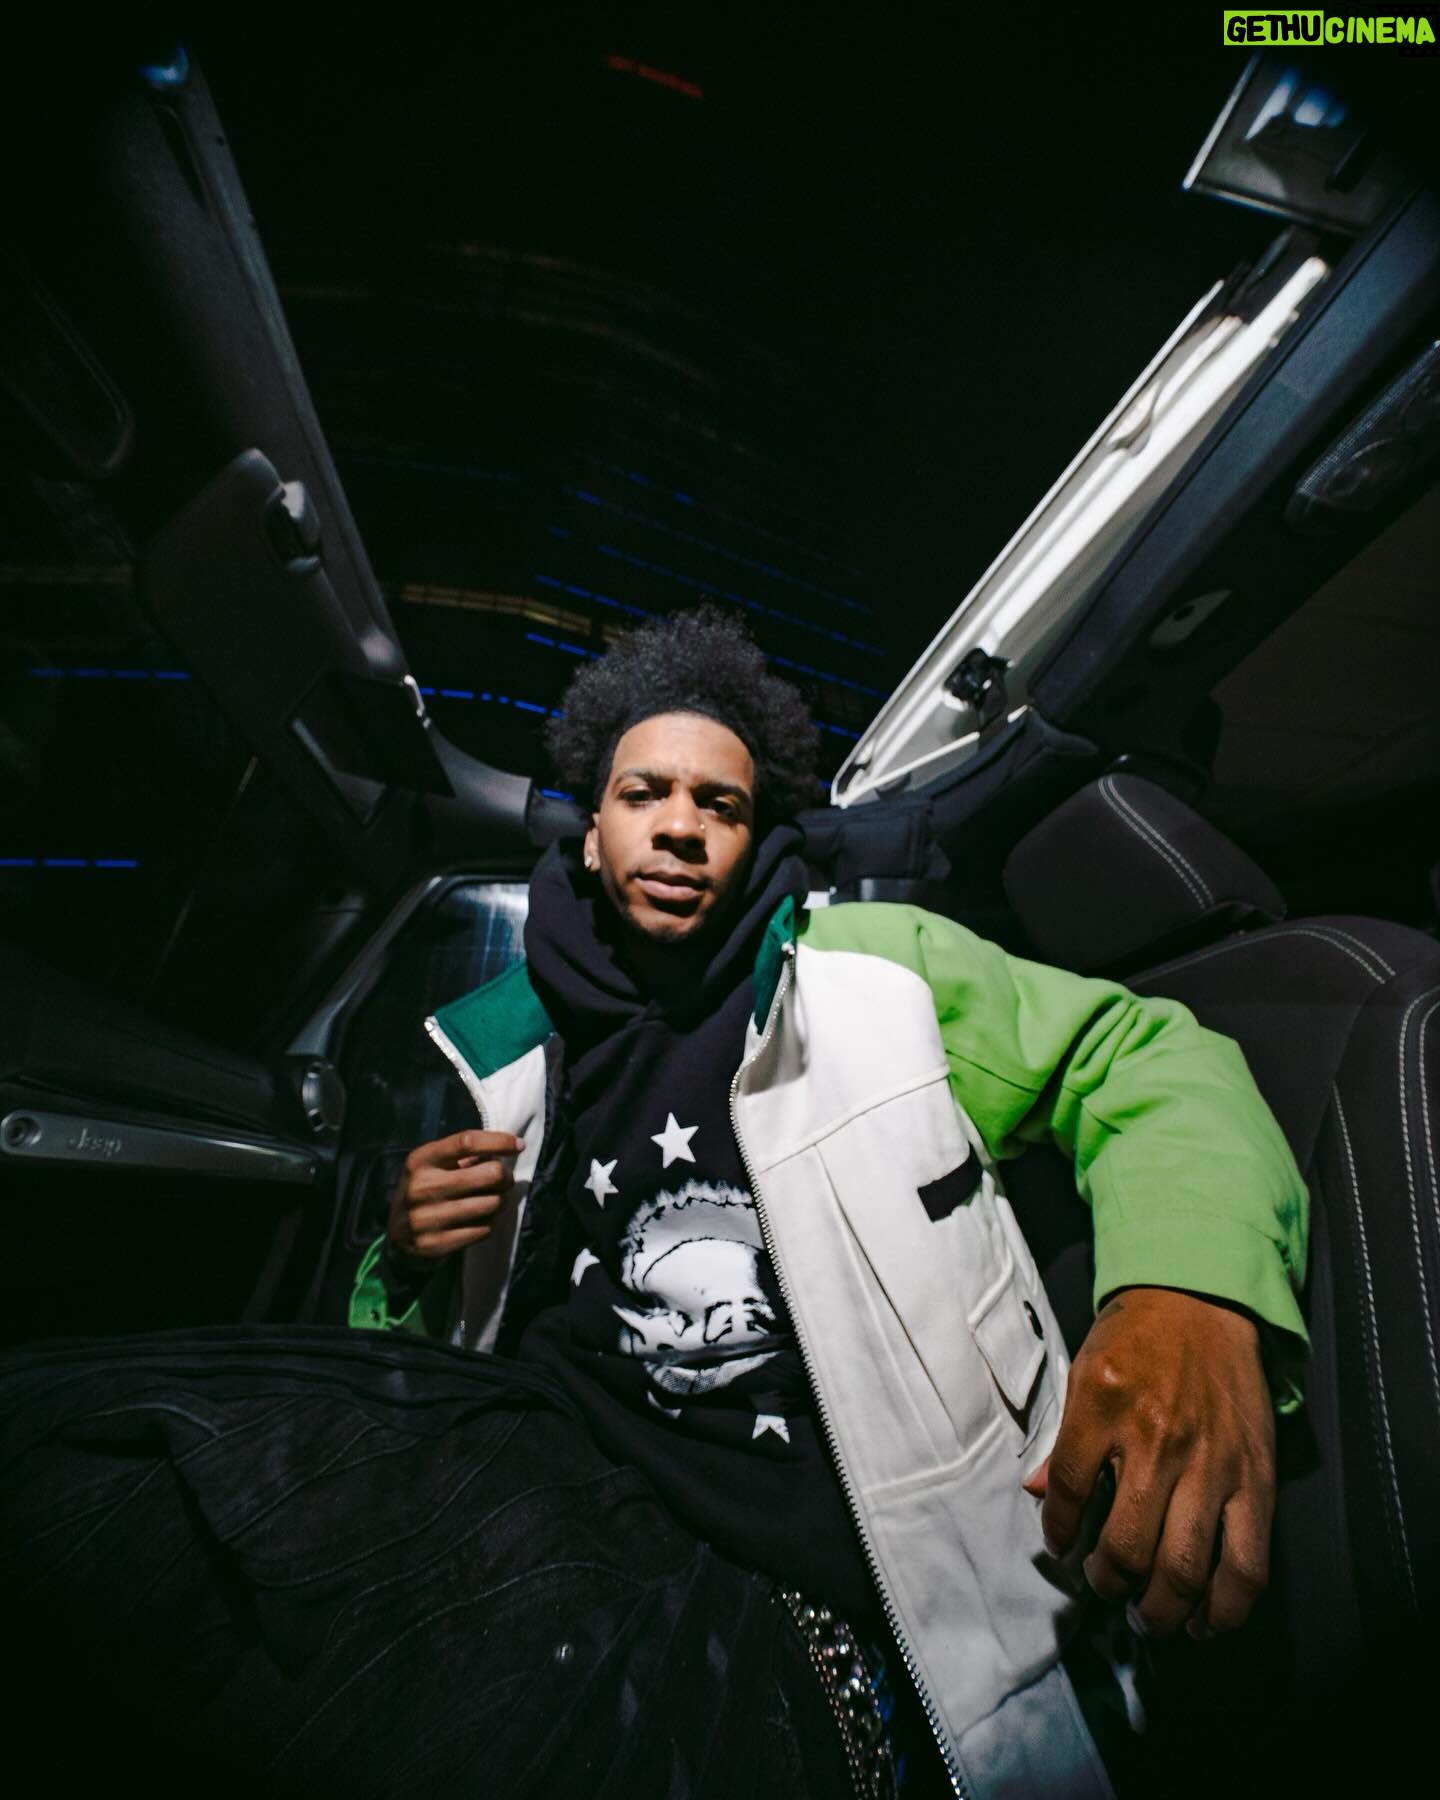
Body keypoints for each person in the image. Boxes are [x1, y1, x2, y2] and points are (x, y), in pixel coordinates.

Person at [3, 609, 1306, 1800]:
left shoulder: (873, 973)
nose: (680, 826)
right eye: (646, 793)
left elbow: (1141, 1054)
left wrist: (1187, 1291)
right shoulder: (512, 1031)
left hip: (797, 1576)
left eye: (718, 804)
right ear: (592, 828)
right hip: (532, 1449)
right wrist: (401, 1258)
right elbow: (448, 1328)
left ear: (756, 838)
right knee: (94, 1461)